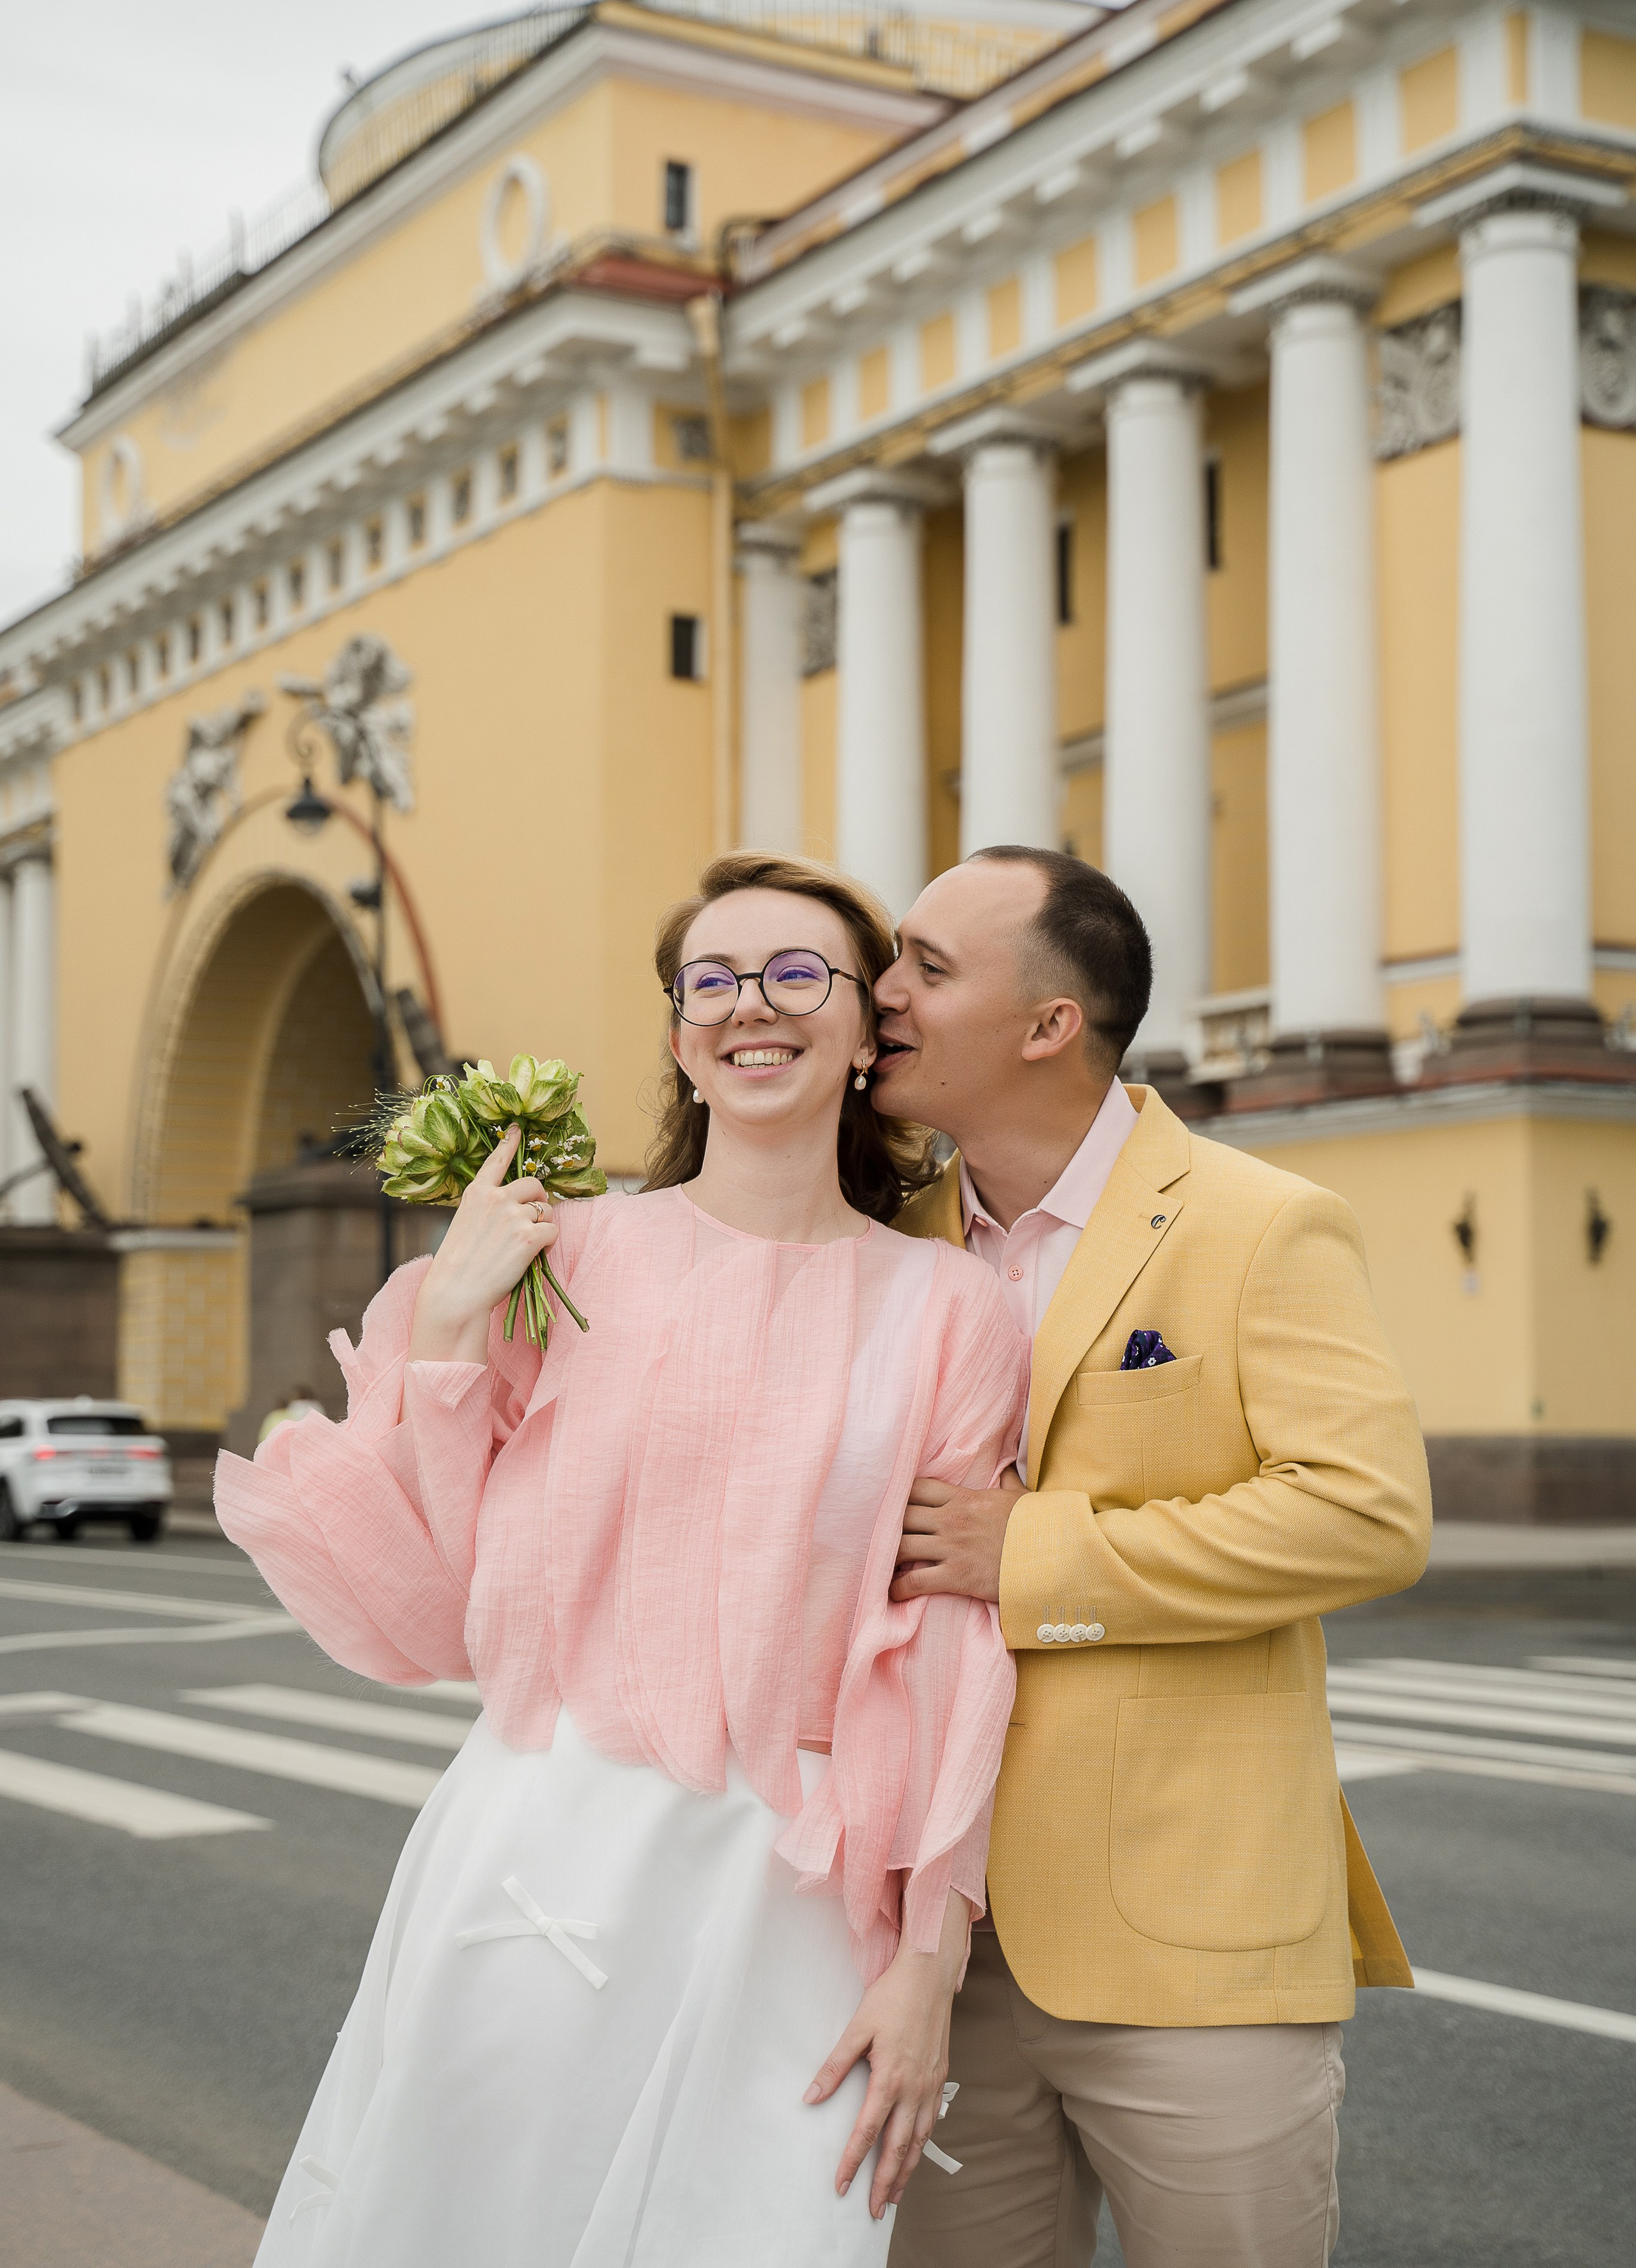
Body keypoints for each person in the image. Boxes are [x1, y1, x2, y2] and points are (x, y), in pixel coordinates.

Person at [215, 851, 1030, 2267]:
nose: (747, 1007)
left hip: (794, 1884)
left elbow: (949, 1646)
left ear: (859, 1031)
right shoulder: (563, 1258)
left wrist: (925, 1960)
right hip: (541, 1845)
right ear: (676, 1039)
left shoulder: (953, 1309)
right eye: (708, 982)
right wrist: (458, 1327)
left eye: (795, 975)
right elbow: (436, 1591)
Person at [872, 846, 1433, 2268]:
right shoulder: (878, 1253)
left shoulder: (1258, 1223)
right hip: (932, 1956)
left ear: (1048, 1025)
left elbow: (1364, 1511)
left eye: (926, 968)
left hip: (1192, 1956)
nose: (880, 993)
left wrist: (1031, 1556)